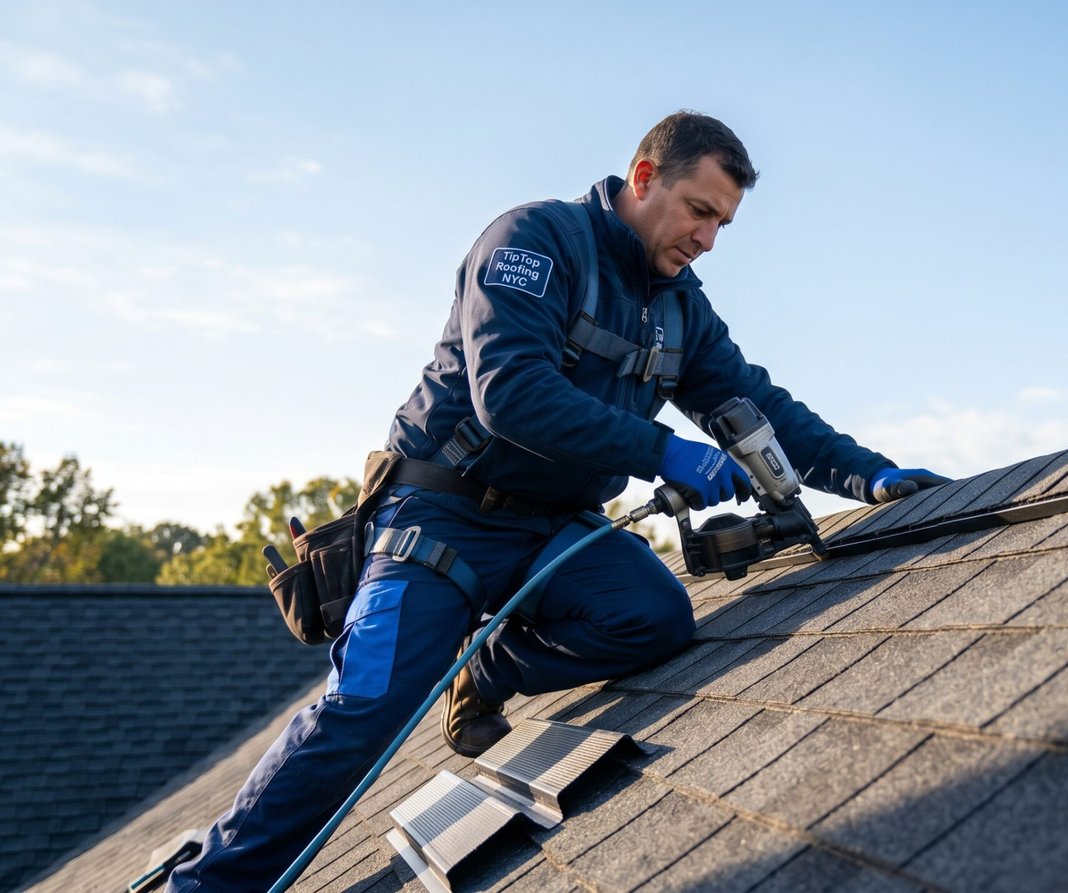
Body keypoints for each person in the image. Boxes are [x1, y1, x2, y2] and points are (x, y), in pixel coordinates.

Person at [168, 110, 948, 891]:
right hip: (442, 517)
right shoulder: (531, 243)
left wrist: (868, 476)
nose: (709, 238)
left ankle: (484, 668)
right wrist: (664, 450)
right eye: (700, 211)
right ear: (644, 179)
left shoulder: (681, 307)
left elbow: (755, 402)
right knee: (368, 704)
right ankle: (208, 882)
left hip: (556, 530)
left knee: (655, 613)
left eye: (724, 223)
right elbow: (512, 394)